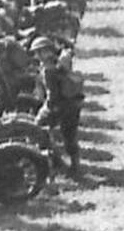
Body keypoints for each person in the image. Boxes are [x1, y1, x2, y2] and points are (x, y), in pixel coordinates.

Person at [32, 37, 85, 174]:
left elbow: (52, 95)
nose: (36, 55)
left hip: (61, 106)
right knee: (69, 136)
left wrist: (45, 110)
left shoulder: (48, 70)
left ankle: (55, 162)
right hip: (73, 104)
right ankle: (74, 165)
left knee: (38, 128)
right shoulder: (58, 63)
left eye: (38, 52)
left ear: (44, 52)